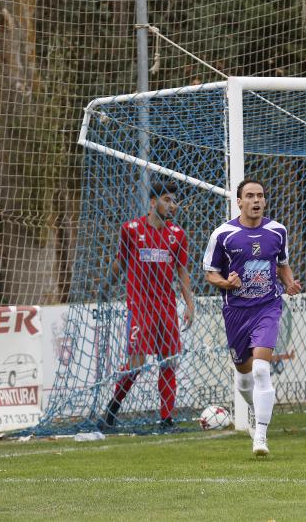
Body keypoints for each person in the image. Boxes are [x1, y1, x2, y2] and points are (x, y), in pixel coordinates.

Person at [203, 178, 302, 455]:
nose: (256, 200)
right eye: (250, 196)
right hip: (236, 312)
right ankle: (251, 411)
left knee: (261, 370)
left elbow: (282, 265)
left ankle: (260, 436)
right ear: (239, 202)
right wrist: (226, 283)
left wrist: (289, 283)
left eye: (260, 195)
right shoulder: (223, 235)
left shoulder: (277, 231)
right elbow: (211, 272)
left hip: (267, 308)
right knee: (245, 376)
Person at [98, 180, 194, 432]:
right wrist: (106, 286)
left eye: (174, 201)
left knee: (169, 361)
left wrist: (189, 304)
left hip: (166, 307)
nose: (172, 205)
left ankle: (166, 419)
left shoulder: (178, 235)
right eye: (166, 200)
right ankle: (110, 412)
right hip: (140, 307)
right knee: (136, 363)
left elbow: (182, 271)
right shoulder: (130, 229)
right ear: (152, 203)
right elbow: (121, 261)